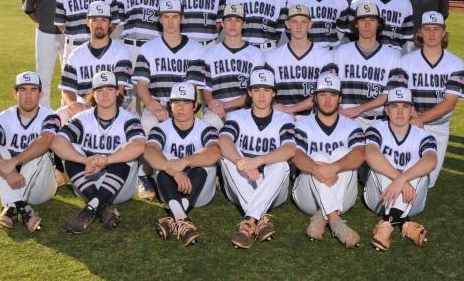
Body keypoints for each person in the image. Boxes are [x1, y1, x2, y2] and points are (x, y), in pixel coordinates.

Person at [51, 71, 146, 233]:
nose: (105, 94)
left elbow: (138, 145)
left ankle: (90, 209)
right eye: (99, 90)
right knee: (70, 147)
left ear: (118, 91)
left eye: (109, 89)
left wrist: (107, 160)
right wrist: (84, 160)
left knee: (125, 150)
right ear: (93, 94)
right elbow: (57, 142)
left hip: (120, 189)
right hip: (86, 186)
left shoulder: (129, 118)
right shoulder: (82, 118)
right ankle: (101, 206)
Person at [132, 0, 206, 199]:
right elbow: (141, 85)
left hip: (183, 106)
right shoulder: (148, 48)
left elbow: (191, 88)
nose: (171, 21)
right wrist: (153, 106)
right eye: (166, 17)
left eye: (175, 16)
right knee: (147, 123)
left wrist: (176, 108)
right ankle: (144, 175)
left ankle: (184, 169)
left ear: (182, 18)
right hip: (156, 102)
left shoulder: (195, 49)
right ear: (160, 19)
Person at [218, 69, 297, 249]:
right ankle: (259, 220)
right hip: (242, 184)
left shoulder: (284, 119)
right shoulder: (237, 116)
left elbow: (289, 149)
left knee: (280, 164)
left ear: (273, 93)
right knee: (227, 159)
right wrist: (242, 162)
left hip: (273, 188)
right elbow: (223, 140)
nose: (261, 95)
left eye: (266, 90)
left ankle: (249, 221)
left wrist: (257, 160)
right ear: (249, 92)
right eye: (256, 90)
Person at [0, 72, 61, 233]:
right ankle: (21, 207)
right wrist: (8, 172)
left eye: (33, 89)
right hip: (13, 180)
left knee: (39, 148)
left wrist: (14, 162)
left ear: (40, 94)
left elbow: (45, 141)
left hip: (42, 187)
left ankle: (11, 205)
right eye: (23, 90)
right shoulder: (3, 117)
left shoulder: (51, 116)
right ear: (15, 93)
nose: (28, 95)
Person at [291, 73, 365, 248]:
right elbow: (296, 156)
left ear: (340, 98)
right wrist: (319, 168)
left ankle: (321, 216)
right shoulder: (302, 124)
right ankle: (334, 219)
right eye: (323, 95)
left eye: (332, 95)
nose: (327, 100)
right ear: (315, 98)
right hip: (308, 197)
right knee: (318, 157)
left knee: (343, 153)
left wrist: (334, 167)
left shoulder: (352, 125)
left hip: (343, 198)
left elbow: (361, 154)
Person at [144, 82, 221, 247]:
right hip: (171, 189)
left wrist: (184, 162)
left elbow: (215, 152)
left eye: (186, 103)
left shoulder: (206, 128)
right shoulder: (160, 128)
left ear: (195, 106)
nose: (180, 107)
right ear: (170, 106)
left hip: (200, 195)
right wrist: (172, 170)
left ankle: (173, 218)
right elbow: (149, 152)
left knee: (204, 163)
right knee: (161, 161)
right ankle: (181, 219)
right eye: (176, 102)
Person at [363, 87, 437, 251]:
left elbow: (431, 160)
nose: (400, 111)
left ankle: (386, 225)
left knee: (419, 167)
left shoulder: (423, 135)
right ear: (386, 110)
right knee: (383, 161)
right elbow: (371, 154)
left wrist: (402, 179)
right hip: (378, 200)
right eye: (395, 106)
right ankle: (404, 223)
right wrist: (400, 178)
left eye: (405, 106)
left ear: (412, 110)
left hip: (413, 201)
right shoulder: (376, 129)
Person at [400, 11, 464, 187]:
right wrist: (413, 117)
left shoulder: (455, 63)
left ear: (444, 33)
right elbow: (401, 95)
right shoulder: (406, 61)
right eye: (427, 29)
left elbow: (449, 102)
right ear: (420, 32)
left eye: (436, 29)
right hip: (409, 126)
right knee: (405, 172)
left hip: (438, 127)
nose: (431, 33)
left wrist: (420, 118)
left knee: (428, 181)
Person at [22, 0, 77, 108]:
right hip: (45, 34)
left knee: (70, 78)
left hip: (70, 34)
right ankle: (45, 115)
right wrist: (45, 22)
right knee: (43, 76)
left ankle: (66, 113)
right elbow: (29, 9)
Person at [332, 2, 404, 130]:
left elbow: (390, 94)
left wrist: (360, 109)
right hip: (345, 120)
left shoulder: (392, 55)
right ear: (356, 24)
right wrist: (336, 108)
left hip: (377, 123)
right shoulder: (341, 52)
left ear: (378, 24)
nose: (367, 25)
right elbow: (329, 87)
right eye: (362, 20)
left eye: (372, 20)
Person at [265, 4, 336, 118]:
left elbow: (326, 94)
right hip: (280, 116)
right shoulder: (273, 57)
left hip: (313, 117)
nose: (299, 26)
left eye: (303, 22)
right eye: (294, 21)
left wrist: (291, 109)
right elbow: (265, 91)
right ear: (287, 24)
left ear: (310, 24)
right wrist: (276, 106)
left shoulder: (325, 57)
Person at [201, 3, 265, 130]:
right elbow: (206, 90)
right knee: (210, 122)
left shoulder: (256, 54)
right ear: (223, 23)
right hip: (217, 111)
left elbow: (256, 92)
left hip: (246, 110)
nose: (233, 24)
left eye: (237, 20)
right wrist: (214, 106)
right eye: (229, 19)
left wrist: (226, 105)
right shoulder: (210, 53)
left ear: (244, 23)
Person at [59, 1, 132, 105]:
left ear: (110, 23)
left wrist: (94, 110)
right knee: (60, 116)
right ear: (87, 22)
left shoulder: (121, 52)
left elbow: (119, 90)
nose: (99, 24)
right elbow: (67, 89)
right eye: (94, 20)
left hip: (115, 106)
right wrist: (72, 104)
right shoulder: (76, 54)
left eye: (104, 20)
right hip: (83, 108)